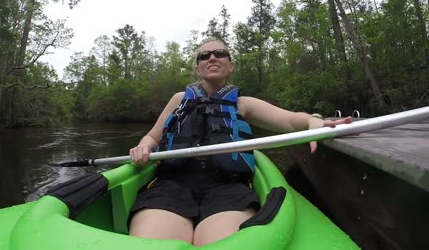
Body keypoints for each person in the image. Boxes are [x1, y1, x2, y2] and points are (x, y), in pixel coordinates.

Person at [128, 37, 352, 246]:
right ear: (197, 68)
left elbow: (292, 120)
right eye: (204, 56)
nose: (212, 58)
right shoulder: (179, 100)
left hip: (227, 188)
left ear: (230, 66)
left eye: (219, 53)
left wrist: (312, 121)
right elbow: (152, 137)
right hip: (172, 185)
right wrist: (143, 147)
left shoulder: (243, 104)